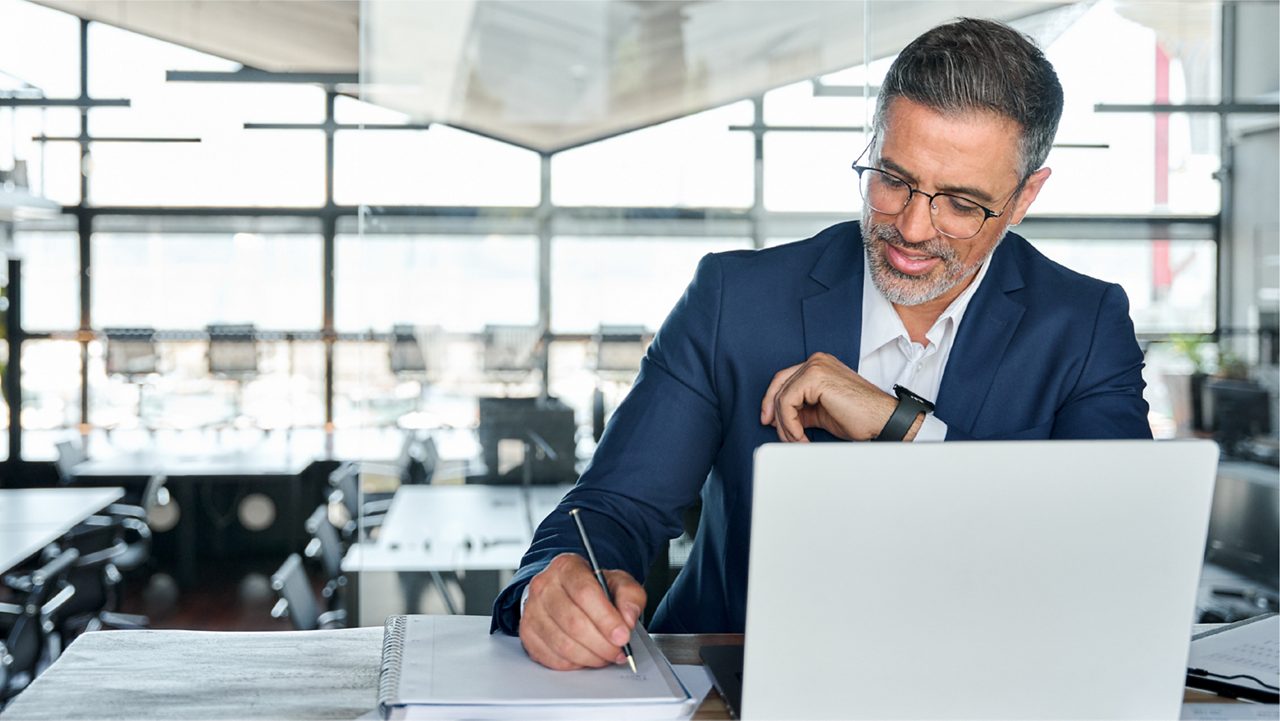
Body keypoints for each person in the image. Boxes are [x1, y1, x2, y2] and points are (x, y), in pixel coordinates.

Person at [491, 17, 1152, 671]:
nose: (913, 228)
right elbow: (612, 507)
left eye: (960, 202)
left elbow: (1109, 560)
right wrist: (549, 588)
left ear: (1025, 195)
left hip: (982, 685)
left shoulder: (1084, 326)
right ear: (872, 141)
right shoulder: (735, 300)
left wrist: (902, 428)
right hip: (724, 684)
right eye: (892, 178)